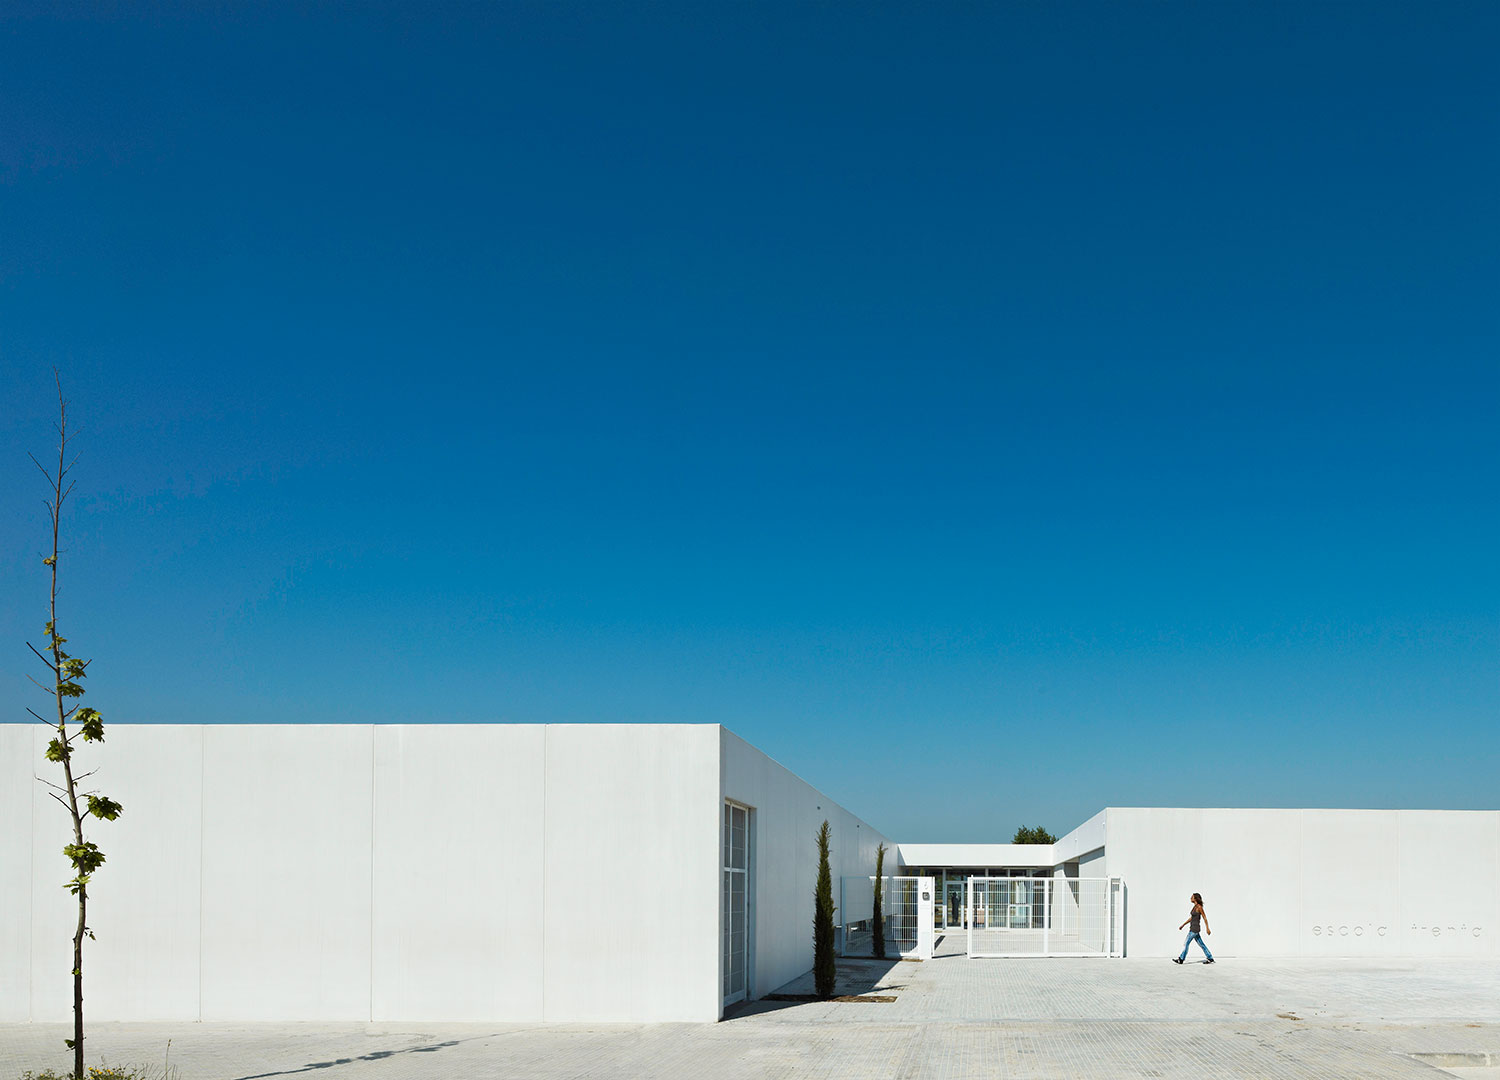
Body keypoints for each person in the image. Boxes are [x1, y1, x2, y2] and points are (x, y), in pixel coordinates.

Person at [1173, 892, 1214, 964]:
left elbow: (1204, 918)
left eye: (1192, 897)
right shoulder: (1194, 907)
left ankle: (1181, 959)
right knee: (1201, 944)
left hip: (1194, 929)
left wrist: (1207, 928)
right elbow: (1192, 918)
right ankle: (1210, 958)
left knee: (1186, 943)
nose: (1190, 898)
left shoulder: (1199, 907)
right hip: (1193, 928)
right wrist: (1183, 925)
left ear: (1195, 899)